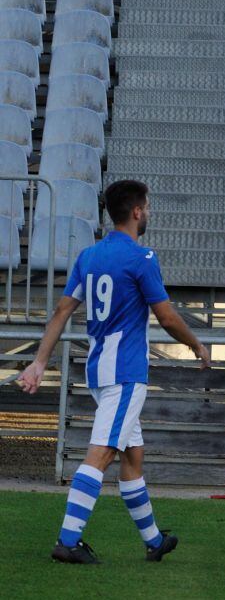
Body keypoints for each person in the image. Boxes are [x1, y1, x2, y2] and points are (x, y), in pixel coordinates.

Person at [18, 180, 211, 564]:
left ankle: (154, 541)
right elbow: (168, 317)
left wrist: (39, 361)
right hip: (125, 372)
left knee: (132, 456)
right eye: (148, 207)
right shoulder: (142, 258)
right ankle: (68, 541)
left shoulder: (89, 256)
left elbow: (61, 312)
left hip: (97, 368)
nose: (149, 212)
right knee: (103, 453)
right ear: (137, 212)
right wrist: (196, 344)